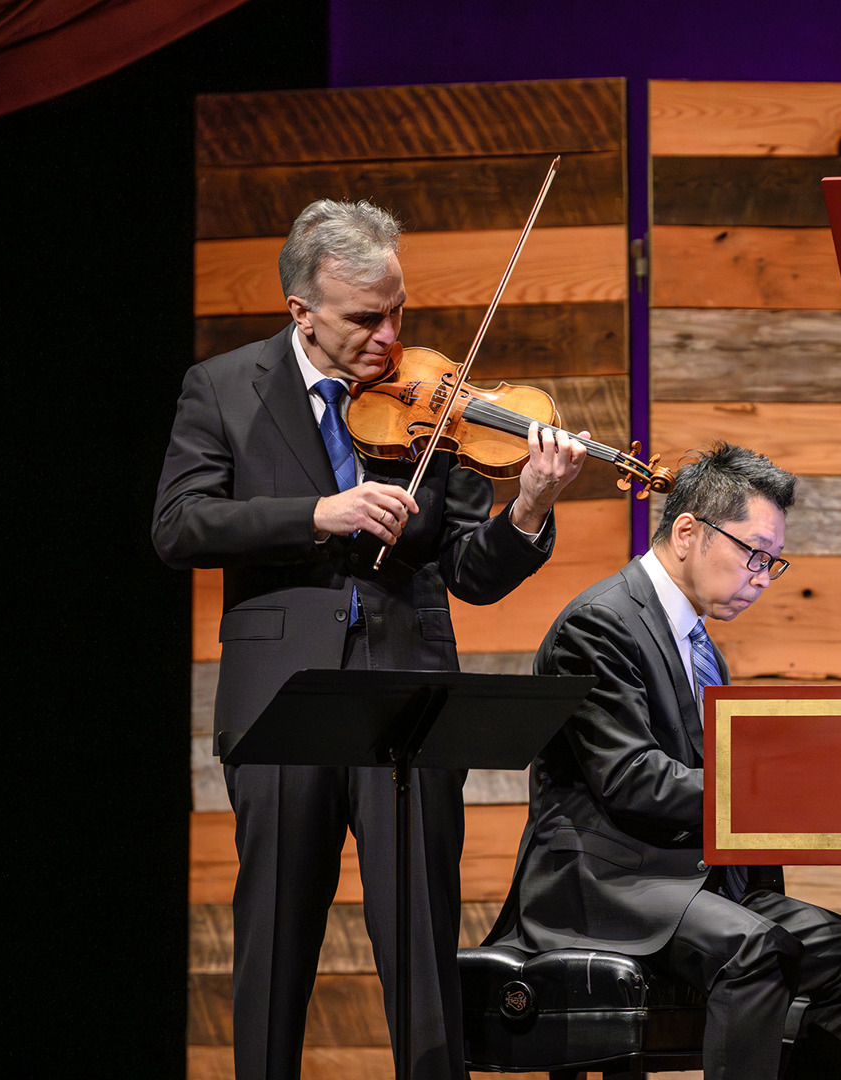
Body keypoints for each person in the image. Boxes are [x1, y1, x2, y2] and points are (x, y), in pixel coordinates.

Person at [153, 199, 586, 1080]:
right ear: (300, 310)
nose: (389, 338)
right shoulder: (223, 388)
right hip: (281, 703)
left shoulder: (433, 403)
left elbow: (471, 569)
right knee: (273, 944)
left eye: (398, 313)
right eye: (363, 318)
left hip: (409, 700)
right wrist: (319, 512)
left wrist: (530, 505)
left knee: (422, 948)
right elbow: (180, 526)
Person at [487, 443, 841, 1079]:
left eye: (773, 562)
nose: (762, 576)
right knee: (755, 951)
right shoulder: (600, 624)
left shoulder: (695, 638)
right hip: (605, 882)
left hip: (687, 877)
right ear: (687, 532)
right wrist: (770, 791)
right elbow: (631, 778)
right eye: (754, 555)